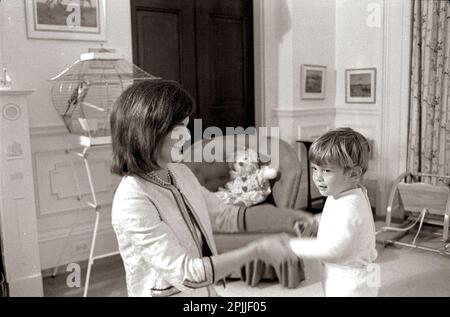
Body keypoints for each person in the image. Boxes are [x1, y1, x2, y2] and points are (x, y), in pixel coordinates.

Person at [110, 79, 309, 297]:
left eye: (185, 126)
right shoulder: (133, 200)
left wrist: (289, 218)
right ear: (146, 131)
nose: (186, 136)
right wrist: (257, 250)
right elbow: (186, 274)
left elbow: (225, 215)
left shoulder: (179, 172)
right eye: (176, 128)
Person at [289, 128, 379, 297]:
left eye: (327, 171)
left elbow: (333, 249)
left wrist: (291, 247)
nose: (318, 177)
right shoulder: (345, 193)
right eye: (315, 169)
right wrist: (317, 221)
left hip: (350, 282)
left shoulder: (350, 207)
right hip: (344, 275)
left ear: (354, 173)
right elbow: (338, 218)